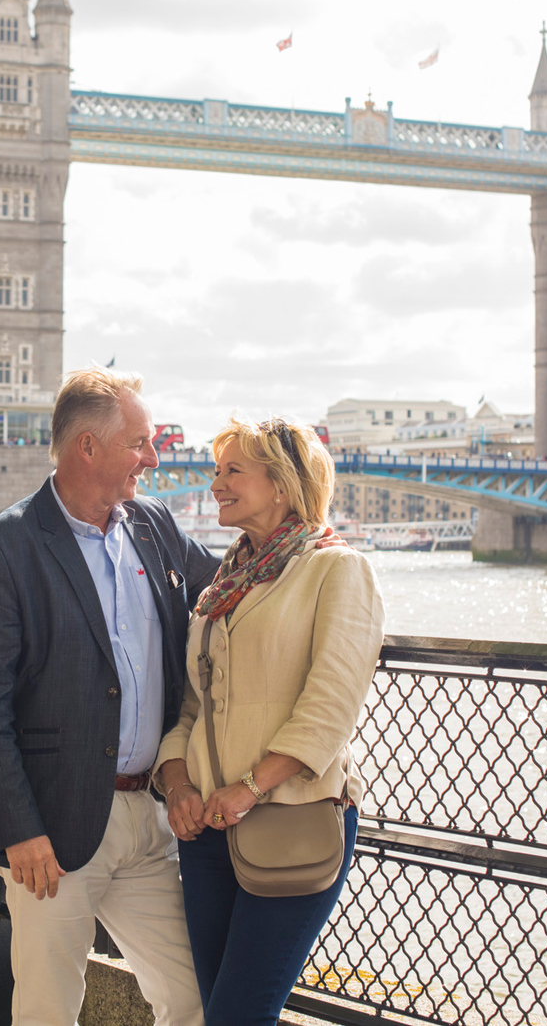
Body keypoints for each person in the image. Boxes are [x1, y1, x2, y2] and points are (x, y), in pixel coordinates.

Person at [0, 366, 221, 1026]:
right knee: (47, 1010)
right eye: (140, 442)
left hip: (147, 818)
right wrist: (20, 830)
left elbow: (232, 588)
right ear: (87, 448)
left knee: (192, 997)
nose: (154, 458)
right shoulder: (0, 548)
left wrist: (316, 558)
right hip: (53, 827)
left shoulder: (155, 526)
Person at [154, 415, 384, 1026]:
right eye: (215, 470)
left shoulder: (337, 571)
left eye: (232, 470)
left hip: (290, 817)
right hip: (205, 827)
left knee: (238, 1016)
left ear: (281, 484)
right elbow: (191, 709)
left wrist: (251, 787)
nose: (215, 483)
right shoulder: (225, 583)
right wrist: (177, 787)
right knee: (217, 1012)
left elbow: (331, 706)